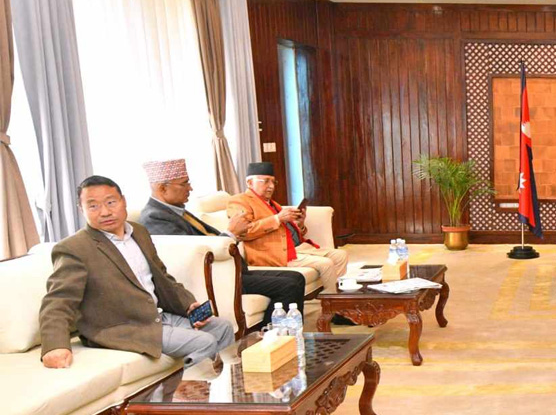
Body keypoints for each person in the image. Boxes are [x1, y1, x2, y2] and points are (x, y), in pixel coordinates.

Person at [39, 176, 235, 373]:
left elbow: (162, 277)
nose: (105, 212)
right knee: (203, 342)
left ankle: (225, 385)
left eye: (110, 202)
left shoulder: (139, 232)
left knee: (222, 328)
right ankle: (188, 391)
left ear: (123, 201)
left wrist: (187, 304)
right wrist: (55, 346)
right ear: (82, 210)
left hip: (158, 317)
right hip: (121, 328)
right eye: (93, 206)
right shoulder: (74, 248)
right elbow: (58, 300)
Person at [137, 159, 308, 317]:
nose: (190, 188)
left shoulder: (177, 211)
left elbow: (208, 240)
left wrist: (236, 234)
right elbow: (189, 256)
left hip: (231, 269)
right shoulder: (155, 217)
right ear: (162, 188)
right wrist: (230, 234)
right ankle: (272, 335)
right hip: (214, 277)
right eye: (185, 183)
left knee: (296, 278)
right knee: (289, 285)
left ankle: (279, 333)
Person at [228, 162, 348, 293]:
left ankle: (335, 295)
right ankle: (332, 302)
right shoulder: (240, 201)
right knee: (325, 264)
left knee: (340, 255)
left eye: (273, 182)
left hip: (296, 248)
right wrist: (277, 218)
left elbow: (285, 231)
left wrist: (299, 224)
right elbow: (244, 232)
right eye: (266, 181)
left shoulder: (273, 204)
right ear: (250, 183)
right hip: (273, 253)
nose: (271, 186)